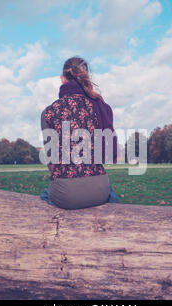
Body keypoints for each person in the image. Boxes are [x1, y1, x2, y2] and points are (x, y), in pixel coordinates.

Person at [40, 56, 119, 210]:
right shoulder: (99, 106)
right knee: (111, 194)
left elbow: (52, 162)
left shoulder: (48, 112)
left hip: (67, 195)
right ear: (86, 77)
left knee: (45, 194)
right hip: (99, 190)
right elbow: (107, 152)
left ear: (62, 79)